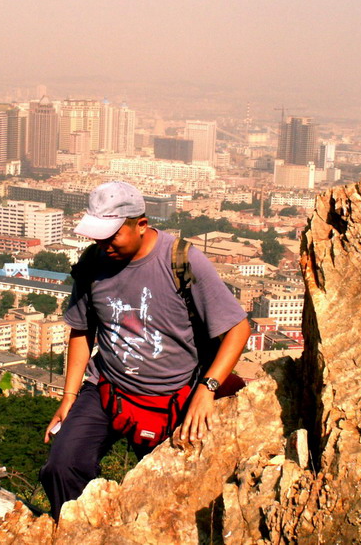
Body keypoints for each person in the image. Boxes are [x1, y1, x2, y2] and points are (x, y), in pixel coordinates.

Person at [39, 181, 251, 520]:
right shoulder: (92, 263)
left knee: (167, 499)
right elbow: (81, 330)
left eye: (112, 236)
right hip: (108, 387)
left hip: (175, 394)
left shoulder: (180, 261)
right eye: (98, 236)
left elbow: (238, 328)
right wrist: (69, 398)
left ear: (141, 224)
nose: (104, 244)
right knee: (61, 467)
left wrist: (207, 389)